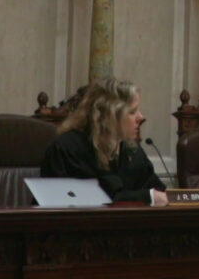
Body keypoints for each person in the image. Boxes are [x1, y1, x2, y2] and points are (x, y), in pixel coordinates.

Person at [40, 77, 168, 206]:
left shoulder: (131, 150)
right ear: (110, 115)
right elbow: (103, 199)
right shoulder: (69, 148)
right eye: (132, 112)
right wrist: (148, 197)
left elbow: (158, 189)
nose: (141, 117)